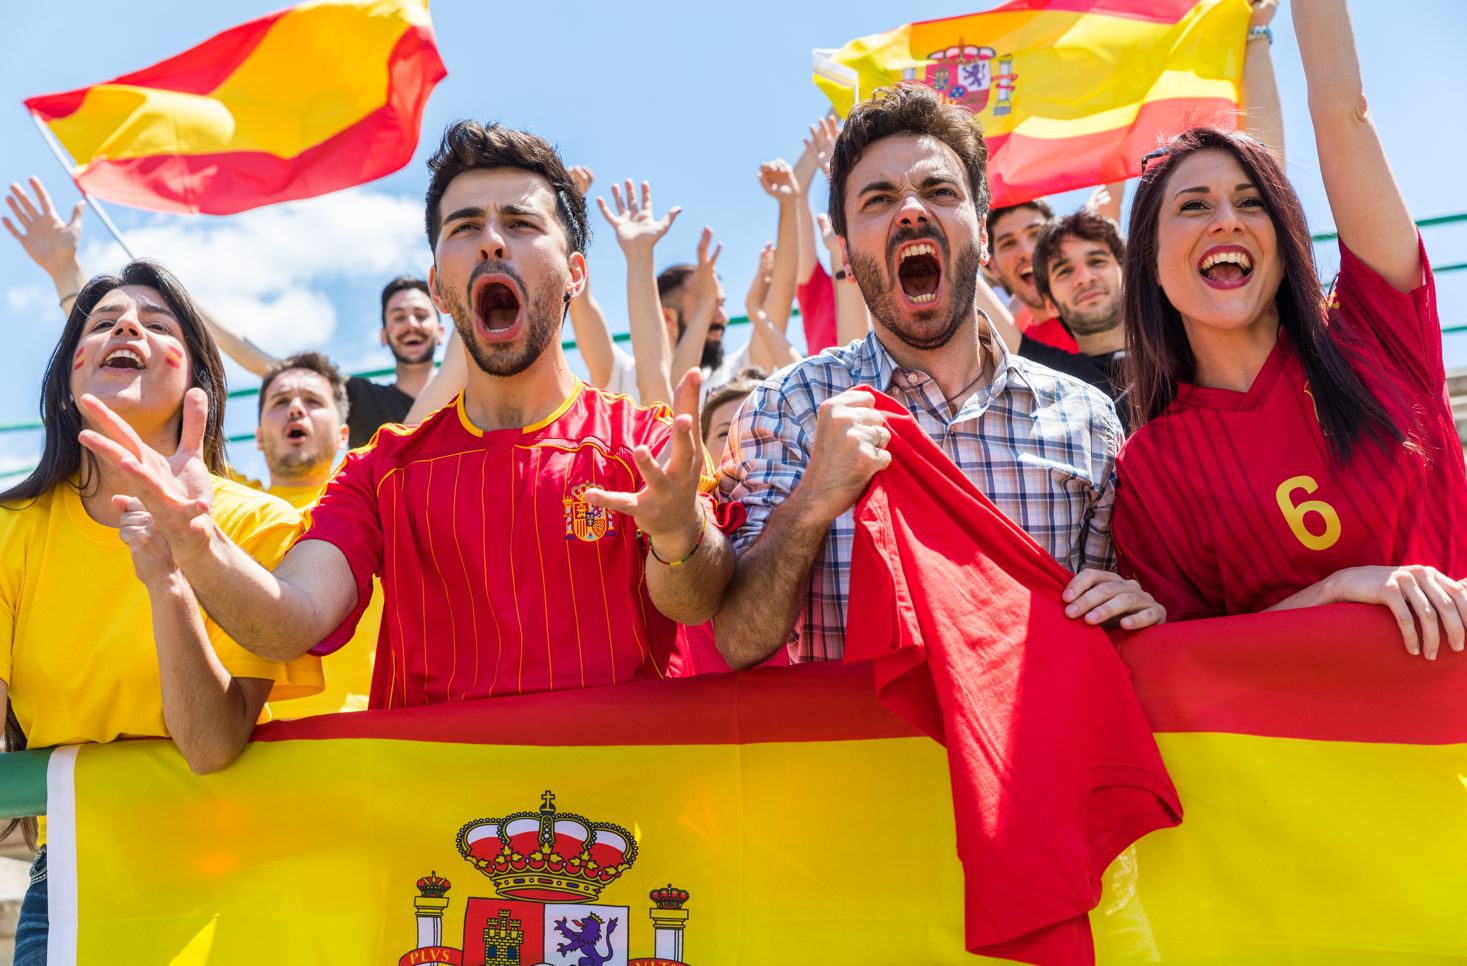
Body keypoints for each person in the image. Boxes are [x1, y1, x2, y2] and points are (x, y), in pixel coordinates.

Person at [78, 120, 734, 708]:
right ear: (440, 288)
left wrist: (679, 539)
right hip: (438, 833)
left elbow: (698, 600)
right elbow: (290, 622)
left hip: (619, 823)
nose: (491, 243)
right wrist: (200, 545)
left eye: (522, 224)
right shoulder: (379, 470)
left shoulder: (642, 444)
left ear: (576, 275)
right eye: (464, 227)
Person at [714, 84, 1165, 668]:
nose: (910, 210)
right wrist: (811, 502)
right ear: (846, 253)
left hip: (1033, 758)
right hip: (865, 759)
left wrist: (1133, 606)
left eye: (939, 191)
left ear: (980, 234)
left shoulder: (1086, 420)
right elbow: (738, 641)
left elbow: (1114, 632)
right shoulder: (788, 408)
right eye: (877, 199)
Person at [1112, 0, 1467, 660]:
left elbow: (1344, 112)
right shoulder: (1149, 465)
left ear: (1284, 240)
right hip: (1311, 757)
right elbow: (1186, 660)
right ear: (1149, 267)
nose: (1226, 220)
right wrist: (1335, 594)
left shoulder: (1373, 332)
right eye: (1193, 206)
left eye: (1252, 203)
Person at [0, 261, 321, 963]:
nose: (127, 326)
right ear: (68, 378)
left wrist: (172, 575)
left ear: (196, 381)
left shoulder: (259, 524)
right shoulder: (8, 530)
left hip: (234, 866)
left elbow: (210, 745)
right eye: (104, 321)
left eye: (158, 322)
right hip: (75, 879)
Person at [0, 176, 446, 448]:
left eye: (421, 314)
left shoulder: (471, 387)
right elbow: (263, 364)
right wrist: (68, 272)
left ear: (442, 325)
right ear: (383, 335)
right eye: (398, 317)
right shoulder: (362, 401)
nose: (411, 324)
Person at [253, 352, 379, 717]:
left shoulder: (382, 493)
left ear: (344, 434)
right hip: (257, 741)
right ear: (258, 438)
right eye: (280, 401)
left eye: (312, 401)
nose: (295, 409)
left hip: (367, 732)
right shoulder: (224, 500)